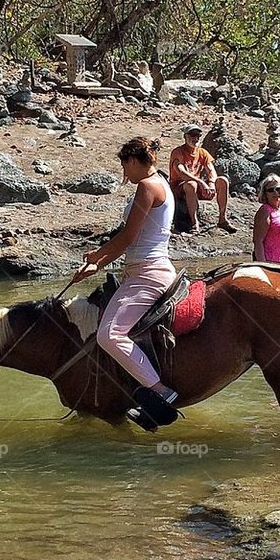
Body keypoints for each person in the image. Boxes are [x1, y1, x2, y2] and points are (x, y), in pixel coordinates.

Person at [72, 136, 180, 426]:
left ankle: (161, 392)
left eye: (124, 165)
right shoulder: (160, 182)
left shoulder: (147, 186)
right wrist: (97, 264)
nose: (124, 172)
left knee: (109, 335)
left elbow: (129, 237)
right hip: (142, 268)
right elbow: (132, 240)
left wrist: (97, 255)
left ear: (132, 160)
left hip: (147, 273)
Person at [168, 124, 236, 233]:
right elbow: (181, 172)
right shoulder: (178, 152)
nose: (195, 138)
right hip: (179, 187)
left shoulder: (202, 152)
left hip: (197, 186)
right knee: (191, 184)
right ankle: (194, 223)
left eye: (198, 135)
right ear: (185, 136)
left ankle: (222, 219)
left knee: (222, 180)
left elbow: (211, 170)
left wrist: (211, 183)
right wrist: (200, 182)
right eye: (192, 135)